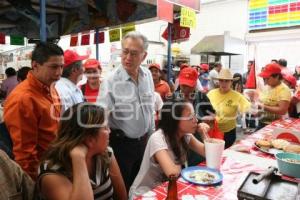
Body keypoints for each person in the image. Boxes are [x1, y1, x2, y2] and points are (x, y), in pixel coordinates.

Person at [97, 31, 155, 191]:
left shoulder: (147, 75)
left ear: (144, 56)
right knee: (122, 188)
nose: (128, 57)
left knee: (142, 186)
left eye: (134, 53)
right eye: (125, 51)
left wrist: (152, 139)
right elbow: (101, 118)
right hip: (121, 147)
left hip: (144, 144)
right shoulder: (111, 80)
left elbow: (149, 111)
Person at [37, 103, 127, 200]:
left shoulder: (106, 154)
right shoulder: (51, 171)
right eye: (105, 128)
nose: (110, 131)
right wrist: (78, 158)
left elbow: (122, 197)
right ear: (89, 139)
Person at [3, 42, 63, 179]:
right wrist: (34, 186)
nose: (59, 73)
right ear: (35, 65)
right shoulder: (23, 99)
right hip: (42, 174)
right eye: (54, 67)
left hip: (56, 164)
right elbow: (25, 154)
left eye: (61, 67)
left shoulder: (51, 87)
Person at [129, 98, 210, 198]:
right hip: (146, 193)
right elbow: (172, 173)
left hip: (168, 189)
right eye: (190, 117)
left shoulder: (185, 135)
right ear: (174, 120)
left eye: (194, 115)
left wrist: (204, 134)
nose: (196, 120)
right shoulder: (158, 138)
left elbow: (209, 154)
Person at [173, 67, 215, 166]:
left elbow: (213, 115)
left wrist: (206, 122)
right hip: (178, 141)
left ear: (196, 83)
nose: (186, 90)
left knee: (198, 166)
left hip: (197, 139)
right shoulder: (173, 98)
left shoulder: (201, 96)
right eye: (183, 86)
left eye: (190, 86)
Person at [207, 68, 251, 148]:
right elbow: (204, 109)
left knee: (224, 155)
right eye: (221, 80)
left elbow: (248, 108)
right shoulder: (211, 93)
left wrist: (253, 103)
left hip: (228, 133)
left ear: (231, 82)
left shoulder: (237, 96)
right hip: (212, 131)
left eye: (227, 81)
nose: (223, 83)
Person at [257, 63, 291, 129]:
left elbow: (282, 110)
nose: (266, 81)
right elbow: (261, 100)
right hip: (262, 122)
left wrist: (263, 106)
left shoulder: (284, 90)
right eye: (264, 79)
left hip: (277, 125)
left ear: (277, 77)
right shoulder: (266, 87)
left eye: (268, 78)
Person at [55, 49, 87, 113]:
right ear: (74, 70)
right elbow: (67, 120)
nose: (84, 70)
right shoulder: (64, 91)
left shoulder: (70, 87)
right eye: (82, 66)